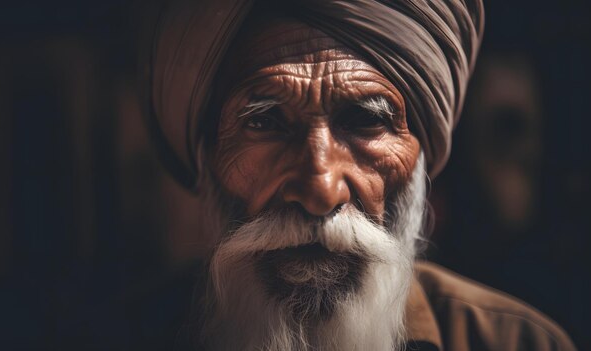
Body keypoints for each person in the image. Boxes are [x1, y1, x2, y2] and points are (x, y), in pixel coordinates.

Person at [147, 0, 577, 350]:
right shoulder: (106, 337)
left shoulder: (517, 343)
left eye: (365, 120)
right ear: (208, 152)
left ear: (421, 152)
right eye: (264, 122)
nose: (320, 190)